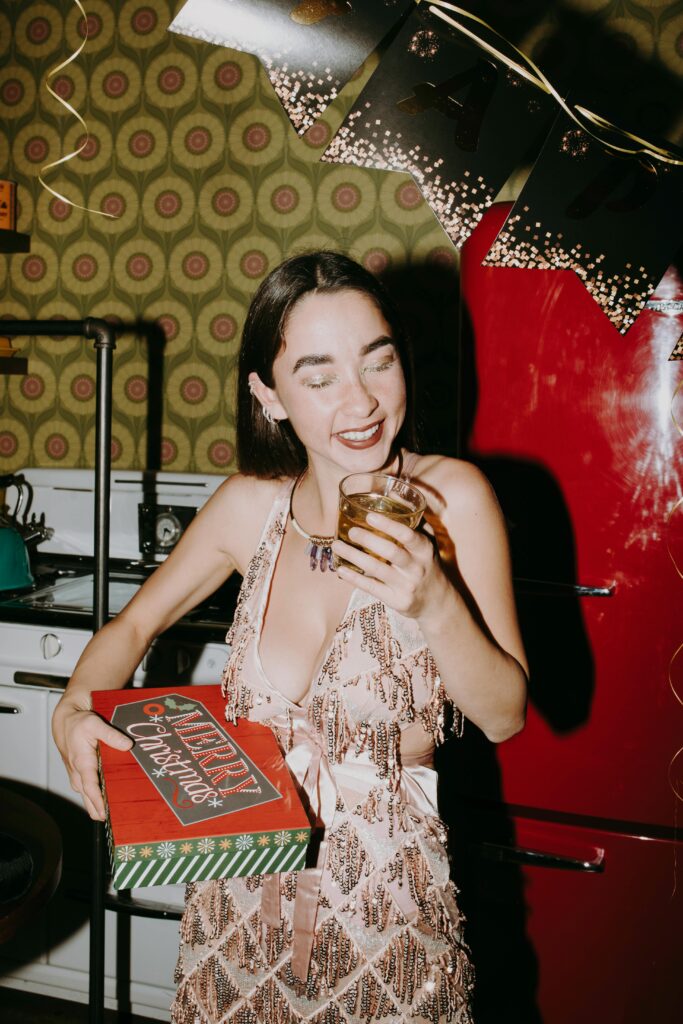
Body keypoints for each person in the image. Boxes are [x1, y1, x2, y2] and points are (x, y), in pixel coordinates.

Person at [52, 251, 528, 1023]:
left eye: (379, 361)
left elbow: (505, 715)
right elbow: (134, 623)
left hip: (386, 916)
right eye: (319, 377)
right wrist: (73, 704)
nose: (362, 401)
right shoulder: (250, 509)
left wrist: (435, 600)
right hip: (239, 895)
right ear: (267, 395)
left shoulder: (454, 498)